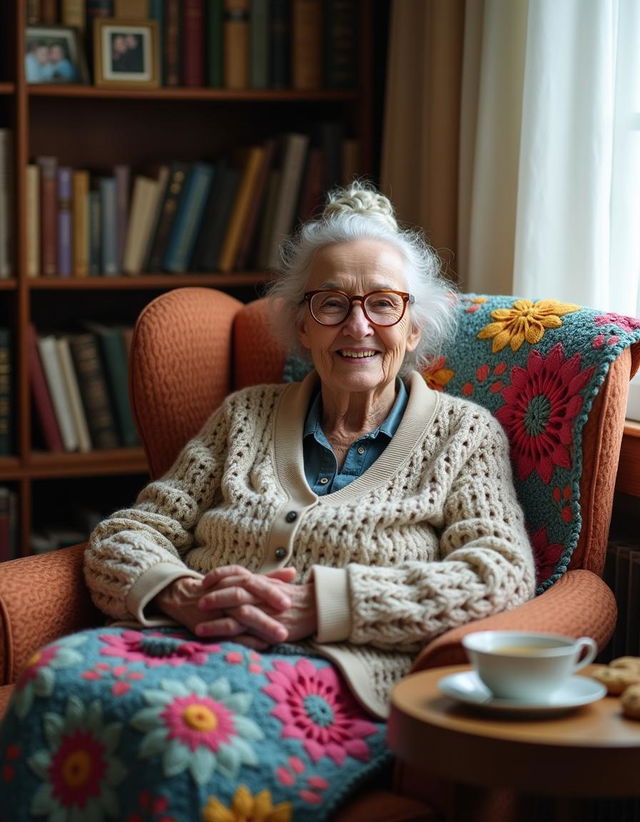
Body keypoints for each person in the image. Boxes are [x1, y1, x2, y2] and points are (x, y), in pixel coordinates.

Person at [0, 182, 535, 821]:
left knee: (181, 740)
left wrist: (328, 605)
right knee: (55, 680)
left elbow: (500, 573)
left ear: (415, 324)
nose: (358, 325)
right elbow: (129, 532)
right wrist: (181, 595)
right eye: (332, 303)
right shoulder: (244, 415)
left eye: (384, 304)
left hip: (332, 683)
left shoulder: (464, 434)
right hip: (181, 644)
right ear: (301, 323)